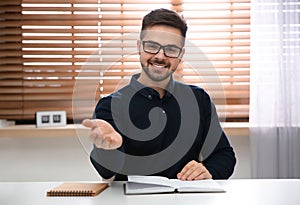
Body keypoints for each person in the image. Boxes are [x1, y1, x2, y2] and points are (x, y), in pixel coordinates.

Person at [83, 8, 236, 181]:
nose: (160, 56)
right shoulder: (110, 105)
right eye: (152, 46)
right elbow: (106, 171)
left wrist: (209, 170)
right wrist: (108, 147)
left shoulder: (199, 100)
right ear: (139, 47)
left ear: (181, 54)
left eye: (171, 49)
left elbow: (224, 155)